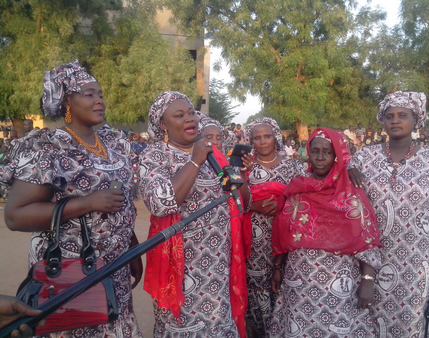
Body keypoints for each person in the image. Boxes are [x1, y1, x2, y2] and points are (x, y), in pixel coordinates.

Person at [1, 60, 143, 337]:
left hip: (115, 270)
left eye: (100, 94)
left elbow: (120, 203)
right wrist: (86, 203)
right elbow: (16, 215)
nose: (99, 100)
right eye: (89, 94)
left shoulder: (114, 143)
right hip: (69, 272)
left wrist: (131, 246)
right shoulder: (47, 147)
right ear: (67, 100)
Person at [139, 91, 247, 338]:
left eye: (191, 112)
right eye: (179, 115)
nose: (190, 119)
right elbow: (160, 203)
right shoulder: (155, 155)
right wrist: (195, 160)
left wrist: (238, 168)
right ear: (163, 124)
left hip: (219, 265)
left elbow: (239, 203)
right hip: (183, 269)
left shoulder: (213, 155)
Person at [349, 91, 429, 337]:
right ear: (382, 121)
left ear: (417, 120)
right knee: (367, 321)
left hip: (418, 262)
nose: (395, 120)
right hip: (370, 261)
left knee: (412, 324)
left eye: (403, 115)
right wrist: (348, 170)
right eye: (389, 116)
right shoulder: (363, 158)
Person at [270, 127, 382, 337]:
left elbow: (366, 238)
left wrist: (368, 280)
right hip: (299, 282)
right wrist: (278, 267)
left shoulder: (350, 193)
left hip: (339, 284)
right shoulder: (298, 188)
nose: (320, 158)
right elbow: (284, 231)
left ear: (337, 156)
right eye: (315, 151)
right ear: (308, 153)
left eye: (327, 152)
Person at [240, 118, 305, 337]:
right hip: (255, 242)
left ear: (275, 136)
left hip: (285, 238)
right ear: (251, 141)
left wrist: (281, 205)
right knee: (257, 286)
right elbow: (232, 199)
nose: (262, 141)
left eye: (267, 136)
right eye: (257, 138)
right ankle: (259, 330)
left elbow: (305, 198)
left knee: (283, 284)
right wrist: (254, 204)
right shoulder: (245, 166)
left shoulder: (292, 165)